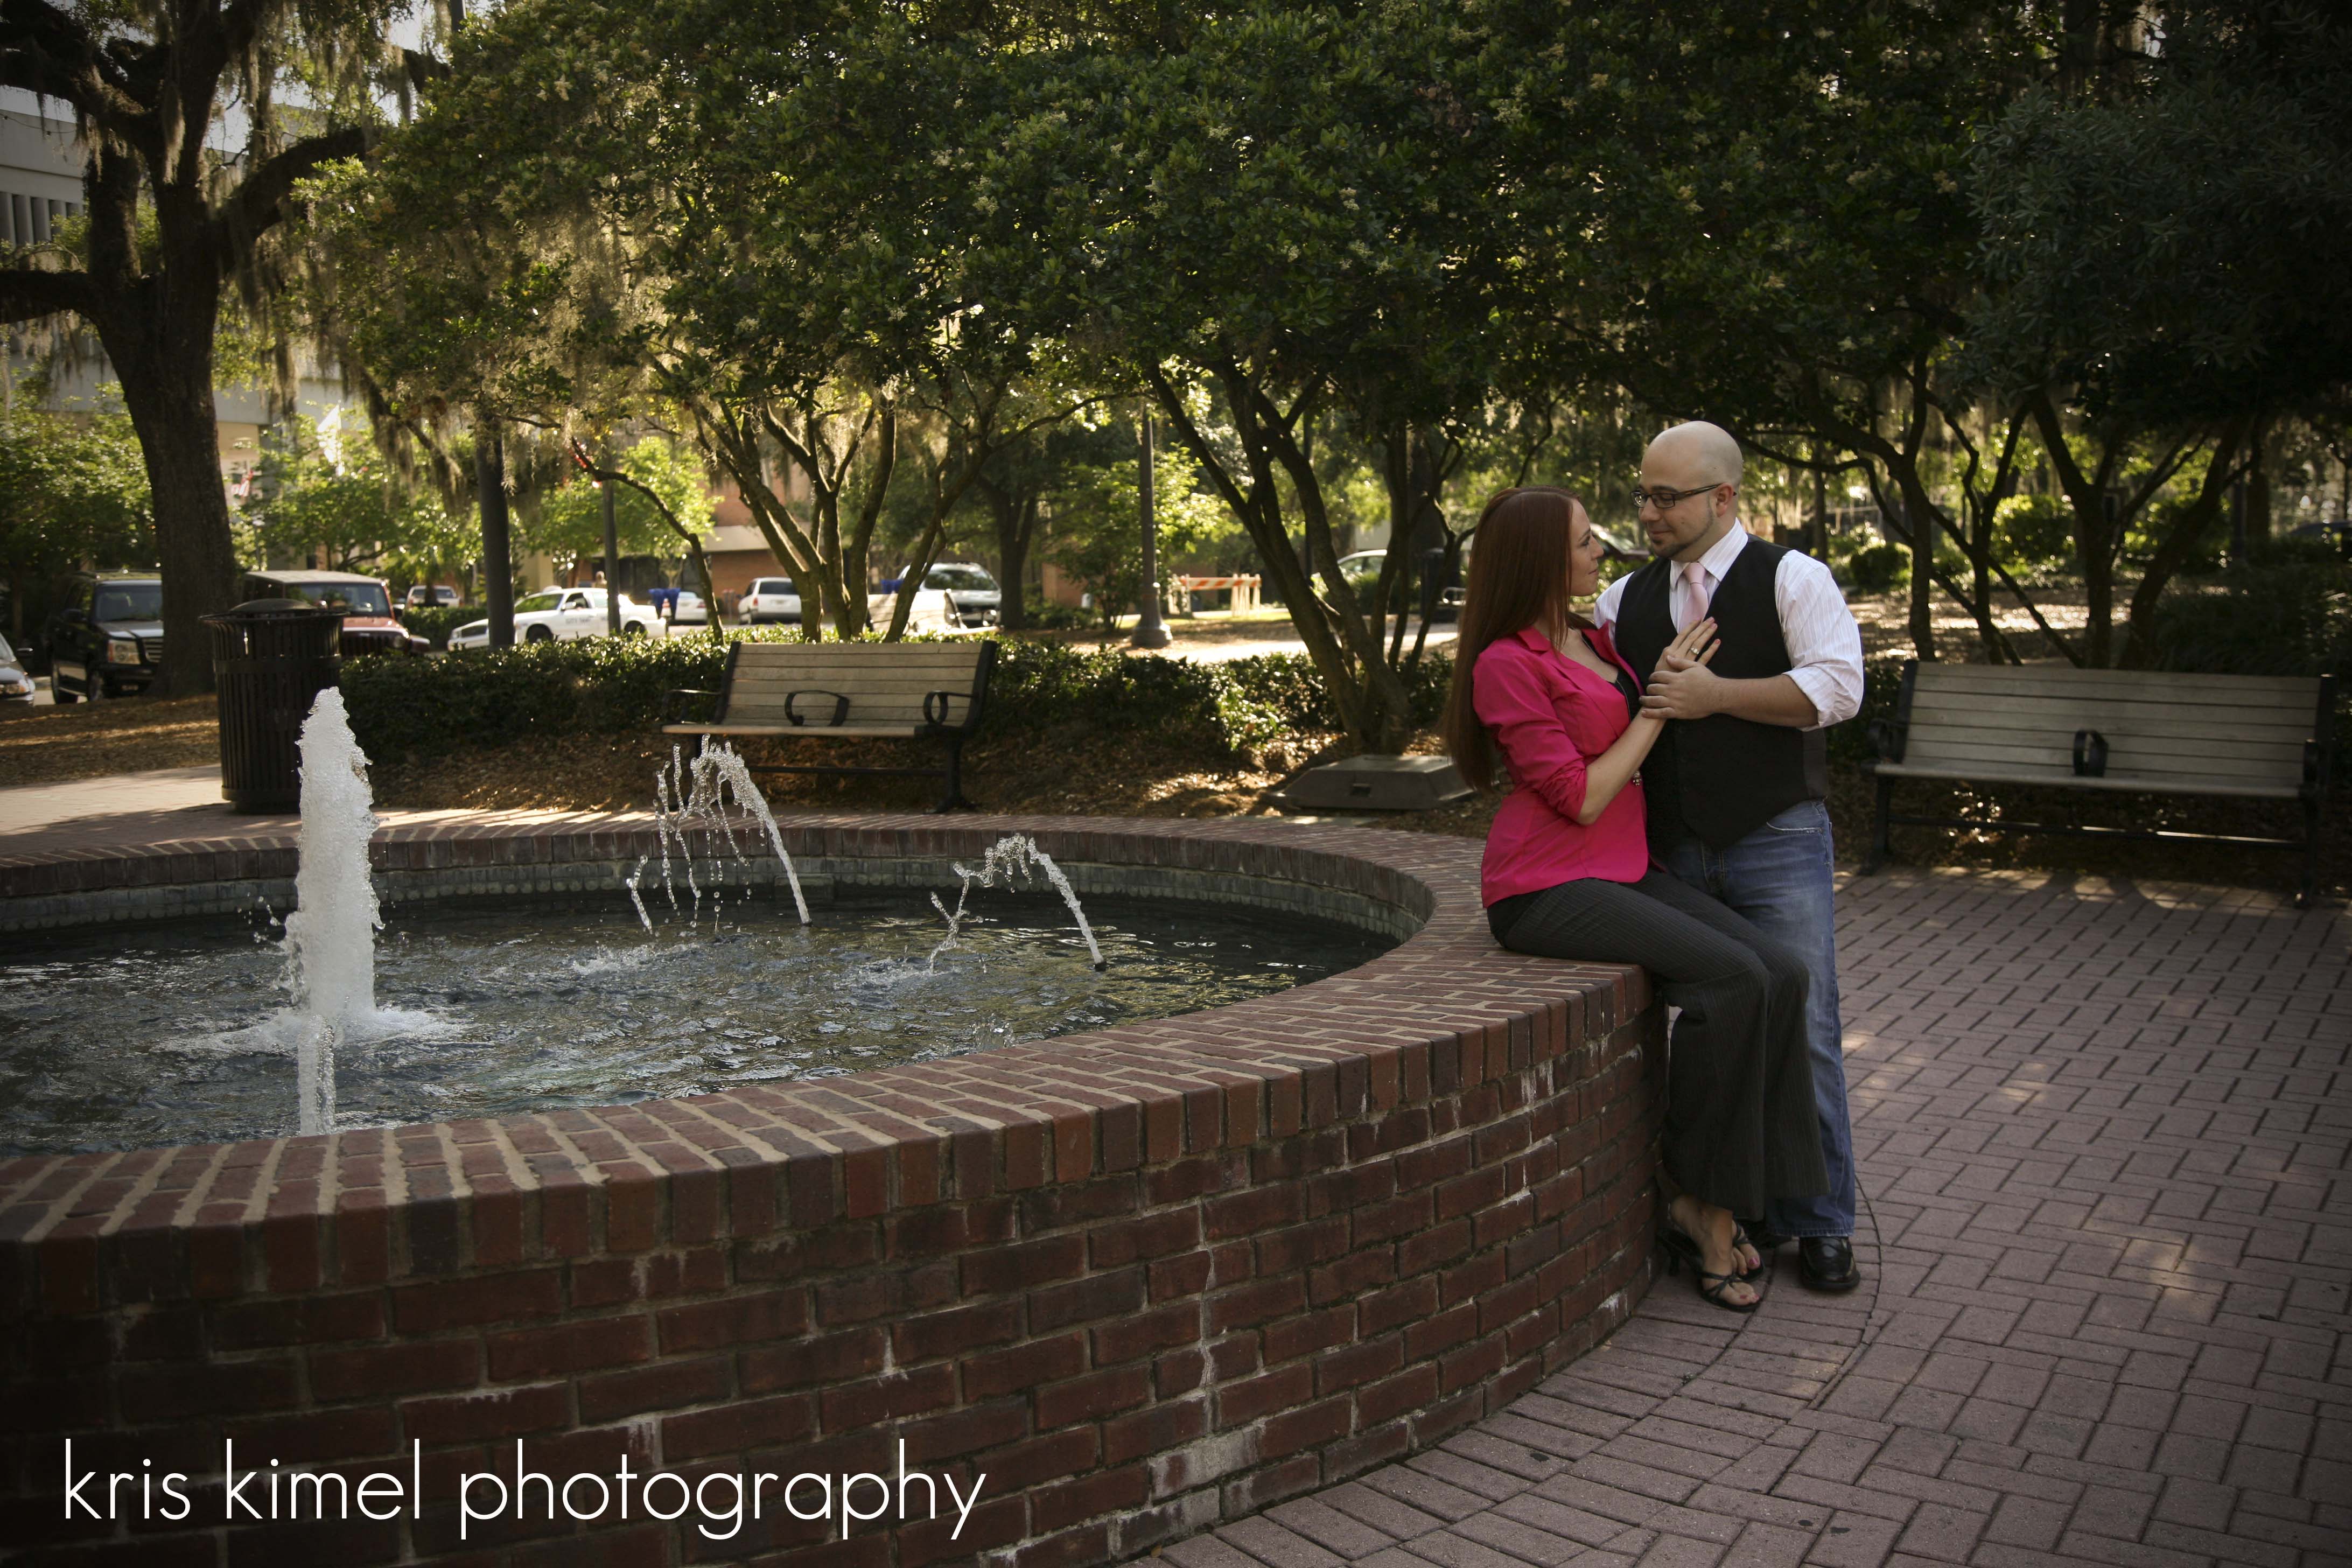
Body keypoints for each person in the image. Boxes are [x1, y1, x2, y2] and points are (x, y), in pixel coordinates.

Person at [1444, 486, 1829, 1313]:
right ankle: (1700, 1203)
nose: (1603, 553)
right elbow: (1578, 797)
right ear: (1543, 559)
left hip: (1617, 868)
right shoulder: (1505, 664)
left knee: (1781, 973)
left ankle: (1770, 1196)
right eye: (1587, 543)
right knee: (1732, 980)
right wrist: (1661, 702)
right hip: (1545, 887)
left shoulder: (1592, 634)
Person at [1595, 421, 1867, 1293]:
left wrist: (1714, 697)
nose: (1648, 512)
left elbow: (1837, 688)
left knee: (1809, 1025)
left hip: (1777, 838)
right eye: (1642, 494)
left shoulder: (1794, 577)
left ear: (1723, 497)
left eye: (1666, 496)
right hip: (1669, 848)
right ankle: (1729, 1202)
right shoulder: (1621, 601)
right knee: (1720, 1024)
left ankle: (1821, 1221)